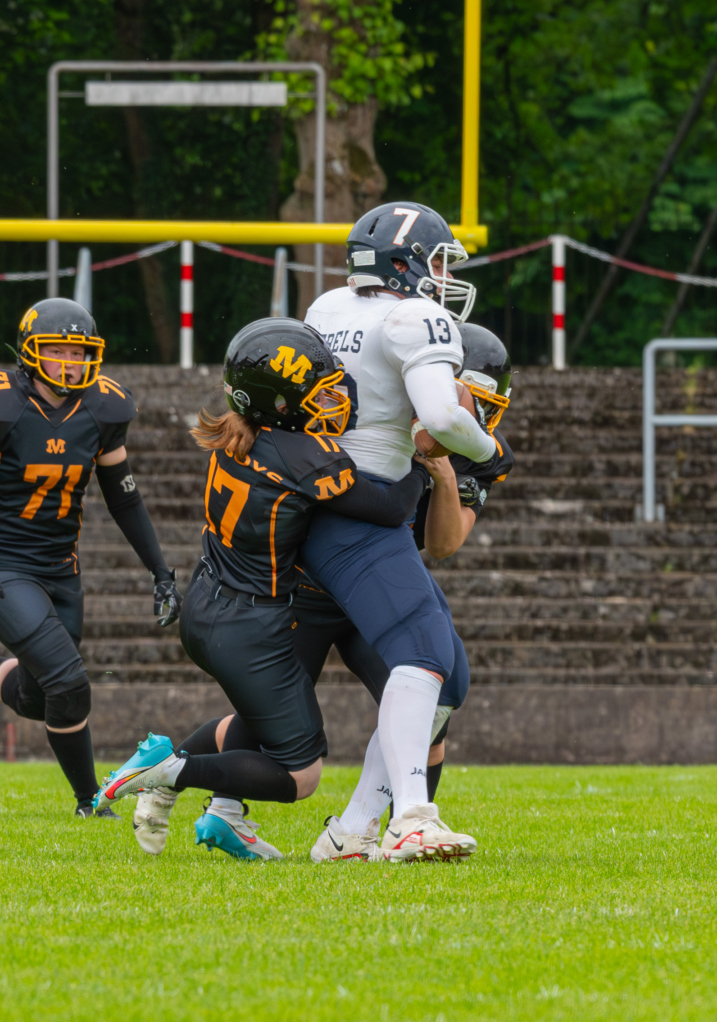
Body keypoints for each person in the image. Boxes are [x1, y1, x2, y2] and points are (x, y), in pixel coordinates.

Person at [90, 319, 431, 860]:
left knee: (254, 722)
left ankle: (169, 782)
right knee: (300, 773)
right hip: (248, 623)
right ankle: (168, 772)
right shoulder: (304, 456)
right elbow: (390, 508)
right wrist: (423, 464)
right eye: (317, 390)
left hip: (207, 603)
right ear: (280, 404)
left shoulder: (239, 429)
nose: (335, 396)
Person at [0, 297, 181, 818]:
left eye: (79, 352)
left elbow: (124, 497)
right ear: (31, 354)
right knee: (70, 682)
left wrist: (159, 570)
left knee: (39, 697)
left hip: (60, 568)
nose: (71, 363)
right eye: (57, 351)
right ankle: (89, 801)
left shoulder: (102, 409)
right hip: (0, 566)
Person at [297, 201, 497, 861]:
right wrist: (486, 450)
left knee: (452, 679)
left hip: (329, 497)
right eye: (439, 261)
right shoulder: (415, 315)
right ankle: (413, 813)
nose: (443, 277)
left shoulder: (327, 308)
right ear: (408, 261)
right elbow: (443, 417)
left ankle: (353, 829)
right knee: (422, 653)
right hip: (365, 508)